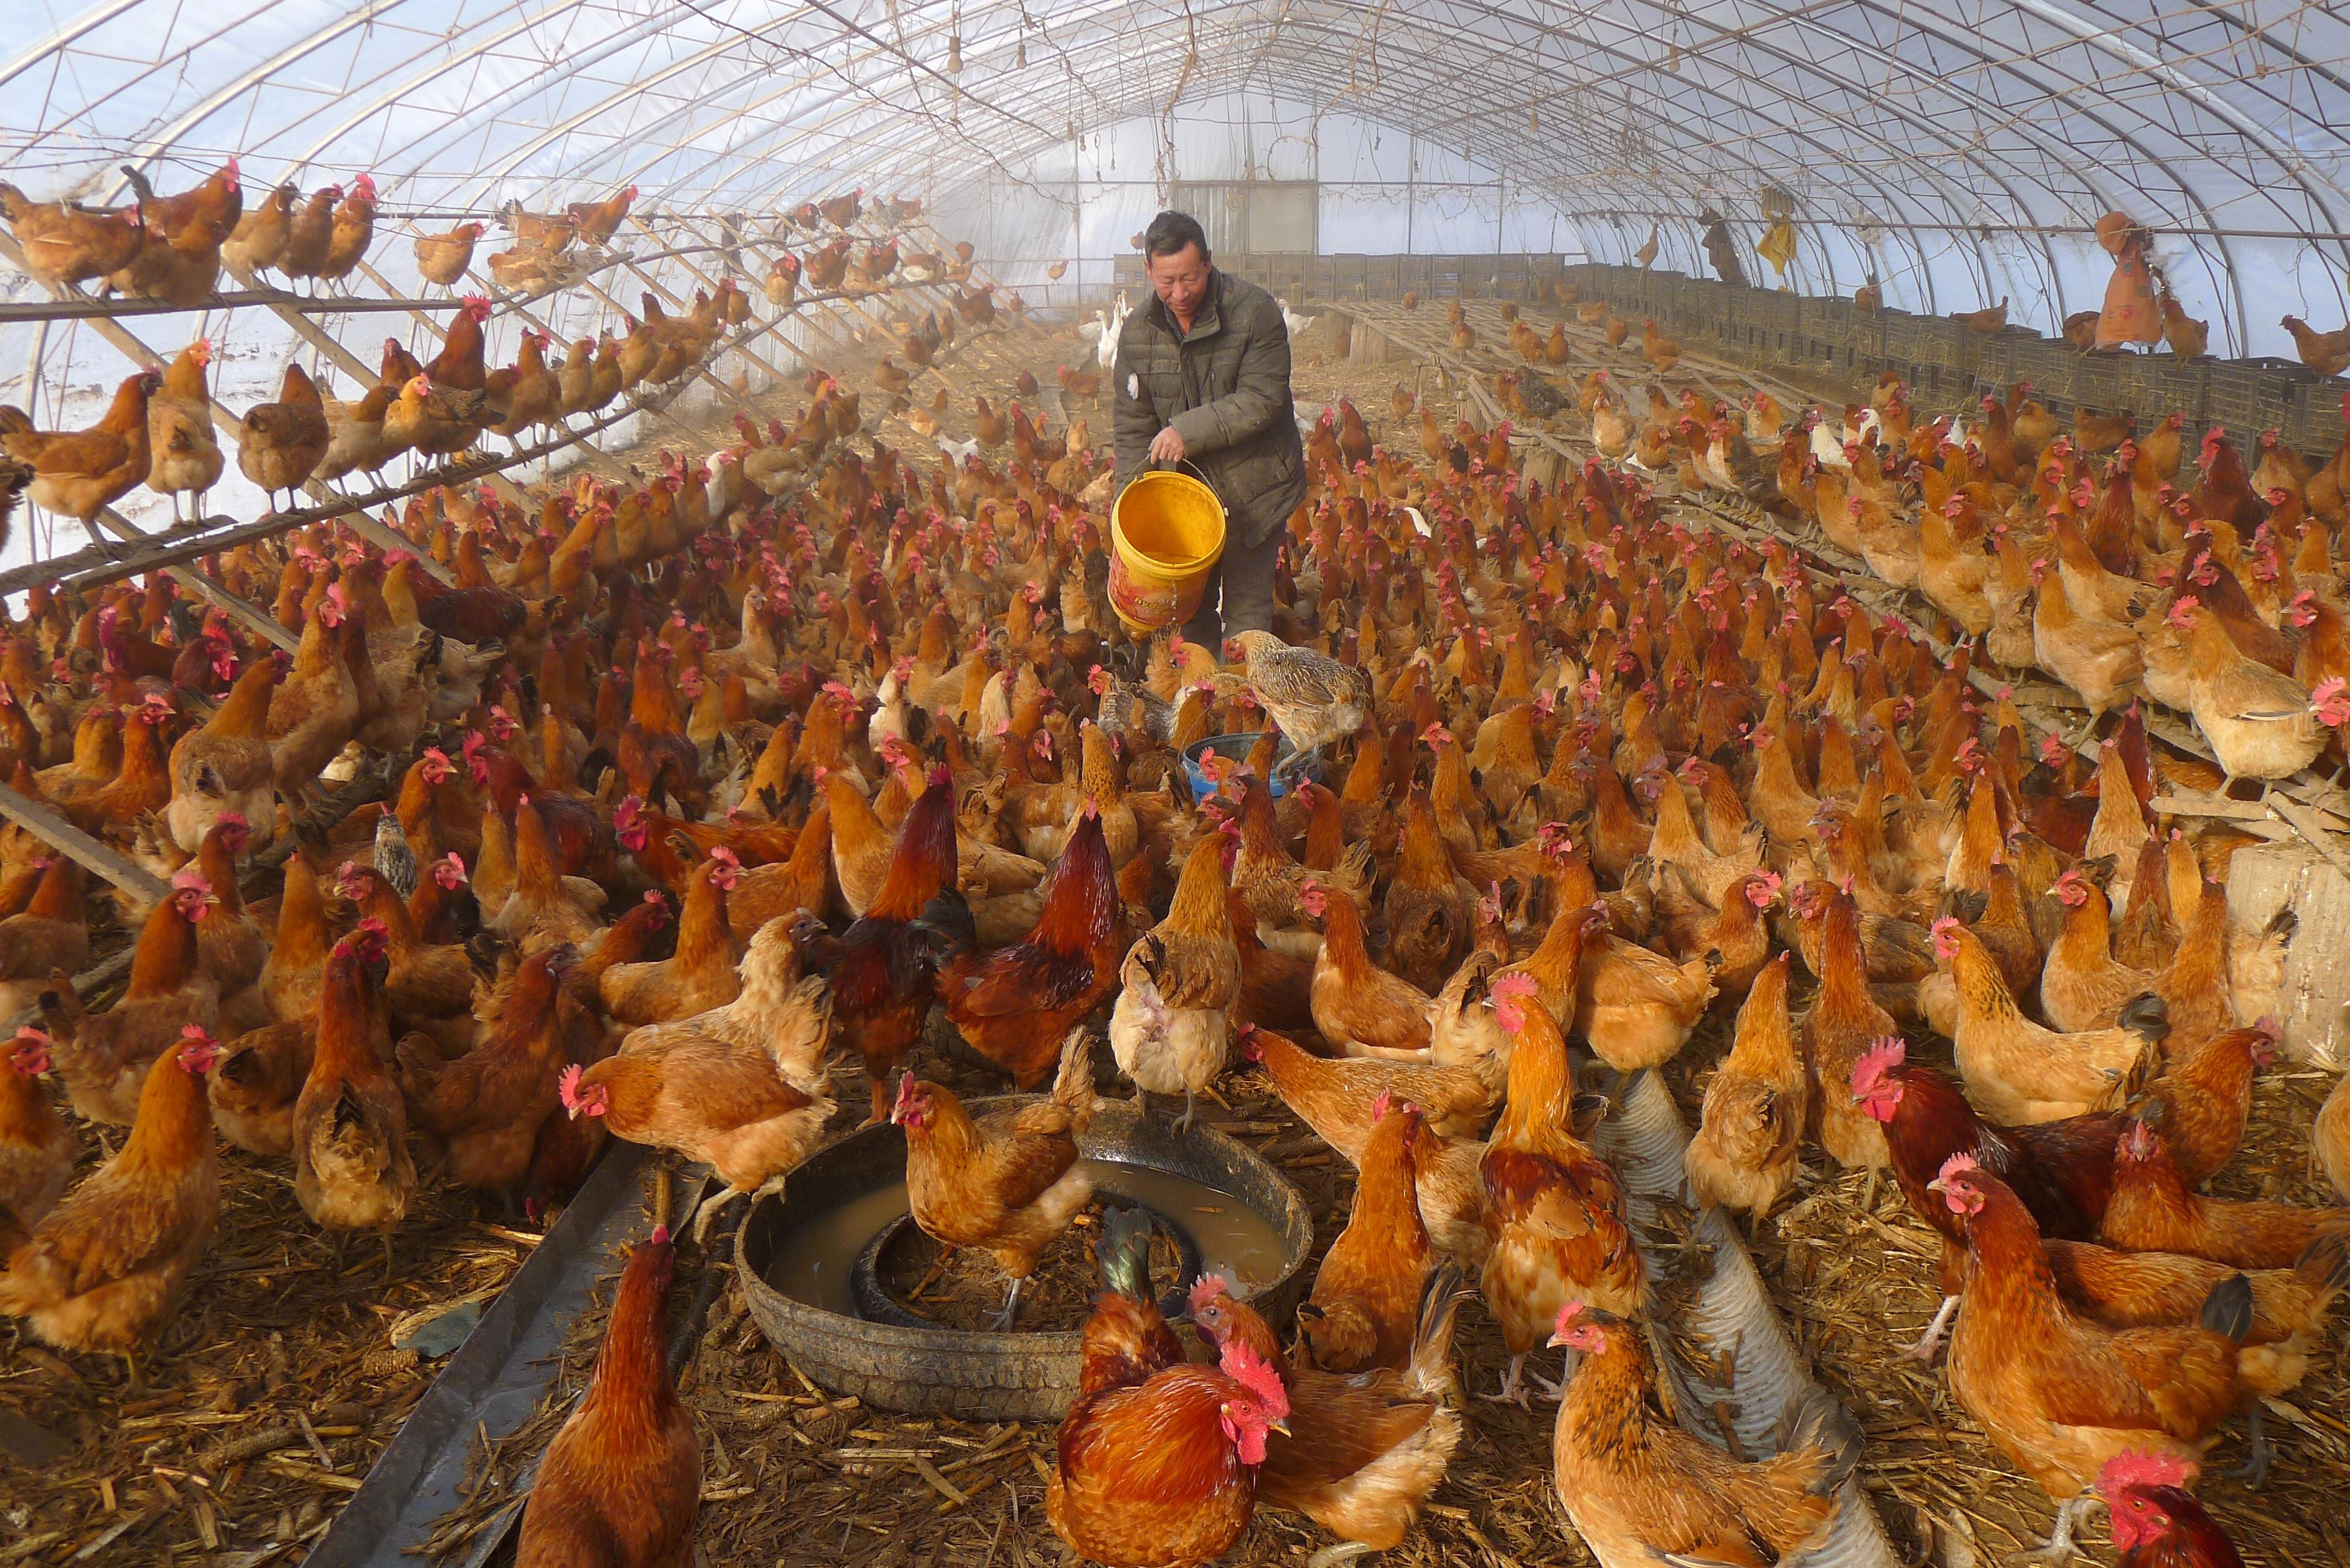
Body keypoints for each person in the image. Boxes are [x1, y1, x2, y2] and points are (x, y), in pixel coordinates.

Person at [1112, 210, 1308, 649]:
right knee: (1188, 609)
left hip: (1256, 487)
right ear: (1148, 271)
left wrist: (1185, 431)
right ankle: (1198, 703)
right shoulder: (1137, 332)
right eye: (1166, 282)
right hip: (1186, 497)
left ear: (1208, 263)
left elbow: (1263, 398)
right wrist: (1127, 502)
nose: (1179, 293)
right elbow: (1132, 424)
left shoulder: (1254, 312)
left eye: (1189, 278)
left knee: (1246, 609)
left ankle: (1244, 707)